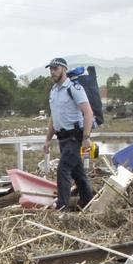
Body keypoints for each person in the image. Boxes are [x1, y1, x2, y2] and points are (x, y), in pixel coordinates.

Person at [42, 57, 94, 210]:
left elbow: (88, 113)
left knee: (63, 169)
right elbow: (54, 117)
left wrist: (86, 138)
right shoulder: (53, 91)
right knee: (78, 174)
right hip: (62, 139)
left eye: (55, 69)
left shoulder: (74, 89)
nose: (52, 72)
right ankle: (88, 203)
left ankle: (62, 207)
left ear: (64, 69)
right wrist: (47, 139)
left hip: (75, 138)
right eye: (51, 69)